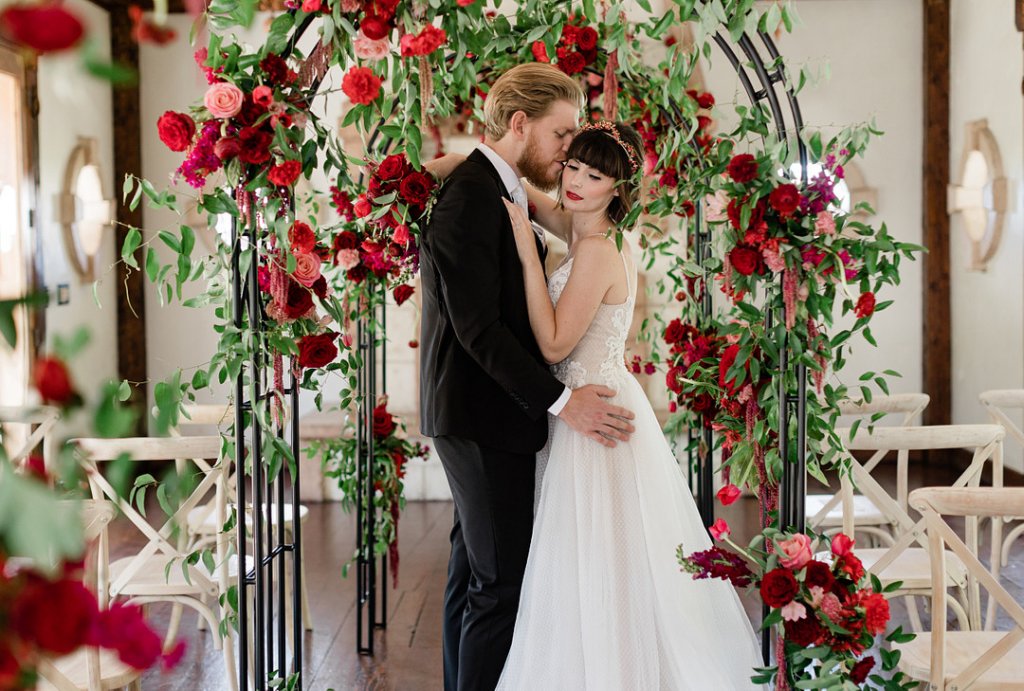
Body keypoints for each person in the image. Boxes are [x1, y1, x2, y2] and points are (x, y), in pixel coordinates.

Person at [494, 121, 763, 689]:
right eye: (572, 167)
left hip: (595, 419)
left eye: (595, 176)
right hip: (592, 405)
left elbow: (554, 345)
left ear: (617, 189)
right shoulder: (584, 226)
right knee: (593, 560)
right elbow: (525, 192)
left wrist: (526, 255)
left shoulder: (596, 249)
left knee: (604, 562)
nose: (576, 182)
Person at [418, 64, 637, 691]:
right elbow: (478, 329)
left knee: (475, 579)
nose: (572, 151)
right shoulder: (475, 194)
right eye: (563, 134)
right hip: (481, 411)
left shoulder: (496, 185)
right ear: (520, 124)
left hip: (495, 412)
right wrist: (564, 402)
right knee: (500, 584)